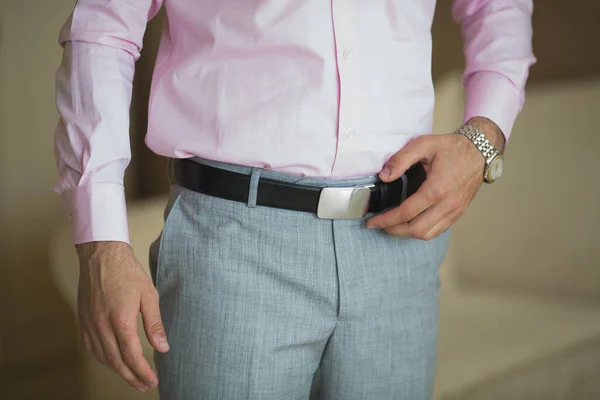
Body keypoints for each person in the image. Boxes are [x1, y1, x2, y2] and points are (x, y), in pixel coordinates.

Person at [54, 1, 535, 399]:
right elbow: (104, 28)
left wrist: (483, 137)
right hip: (233, 250)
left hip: (399, 248)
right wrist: (101, 240)